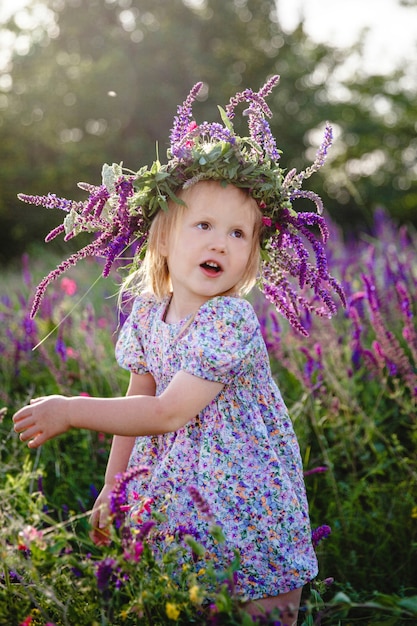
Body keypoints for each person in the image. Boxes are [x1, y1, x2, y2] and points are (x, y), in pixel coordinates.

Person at [13, 76, 345, 625]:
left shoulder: (229, 318)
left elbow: (168, 412)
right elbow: (136, 404)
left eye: (240, 234)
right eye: (205, 225)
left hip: (246, 491)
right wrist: (113, 488)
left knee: (259, 608)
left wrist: (70, 409)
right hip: (177, 487)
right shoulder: (147, 314)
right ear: (164, 238)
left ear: (251, 255)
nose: (221, 241)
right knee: (187, 596)